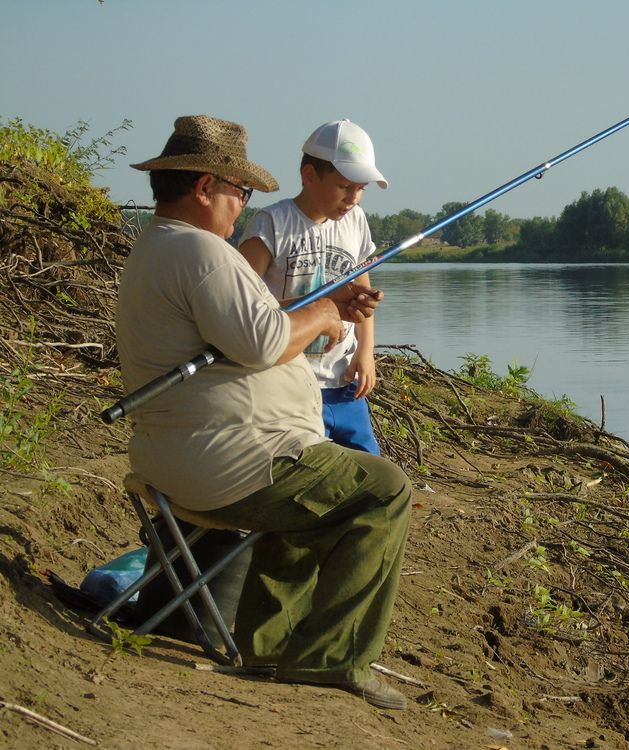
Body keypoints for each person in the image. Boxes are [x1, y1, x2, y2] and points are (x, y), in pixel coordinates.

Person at [116, 115, 411, 710]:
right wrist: (327, 314)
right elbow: (263, 341)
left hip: (191, 456)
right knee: (385, 490)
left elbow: (249, 328)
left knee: (319, 498)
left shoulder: (161, 246)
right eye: (239, 191)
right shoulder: (202, 252)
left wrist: (324, 310)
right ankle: (331, 659)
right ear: (205, 187)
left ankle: (268, 645)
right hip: (231, 461)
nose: (243, 204)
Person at [239, 119, 386, 455]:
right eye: (344, 186)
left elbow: (362, 287)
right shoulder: (272, 223)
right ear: (308, 175)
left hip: (343, 382)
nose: (353, 199)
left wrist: (366, 353)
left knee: (368, 465)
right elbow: (242, 302)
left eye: (361, 189)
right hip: (288, 380)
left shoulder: (355, 222)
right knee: (308, 465)